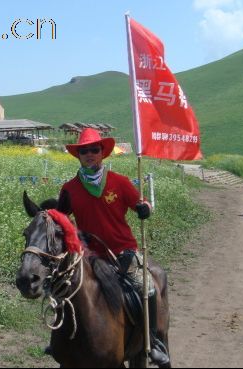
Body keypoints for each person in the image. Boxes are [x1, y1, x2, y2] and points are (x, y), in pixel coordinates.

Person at [59, 128, 170, 366]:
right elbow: (62, 218)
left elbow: (144, 203)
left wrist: (145, 209)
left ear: (102, 153)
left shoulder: (119, 182)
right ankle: (61, 342)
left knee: (147, 288)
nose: (89, 154)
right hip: (88, 257)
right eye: (84, 151)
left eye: (94, 150)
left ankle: (154, 341)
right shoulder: (70, 188)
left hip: (123, 253)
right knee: (62, 289)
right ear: (78, 155)